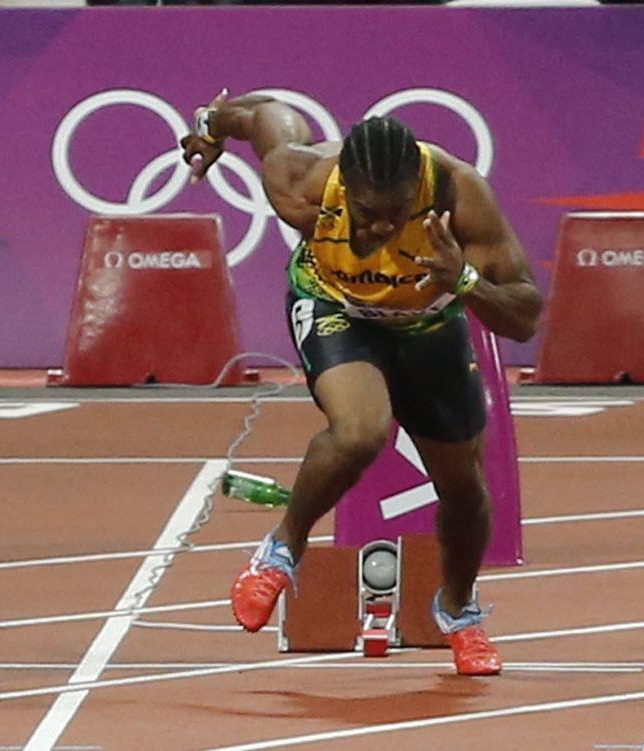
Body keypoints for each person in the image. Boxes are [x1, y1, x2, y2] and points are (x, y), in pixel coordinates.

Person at [180, 91, 543, 676]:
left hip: (427, 323)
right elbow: (261, 115)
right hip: (336, 308)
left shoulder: (458, 193)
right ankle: (281, 550)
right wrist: (209, 125)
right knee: (359, 431)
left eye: (396, 212)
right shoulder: (303, 181)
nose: (380, 224)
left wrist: (467, 280)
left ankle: (458, 610)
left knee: (464, 487)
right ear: (344, 189)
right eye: (368, 212)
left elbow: (525, 314)